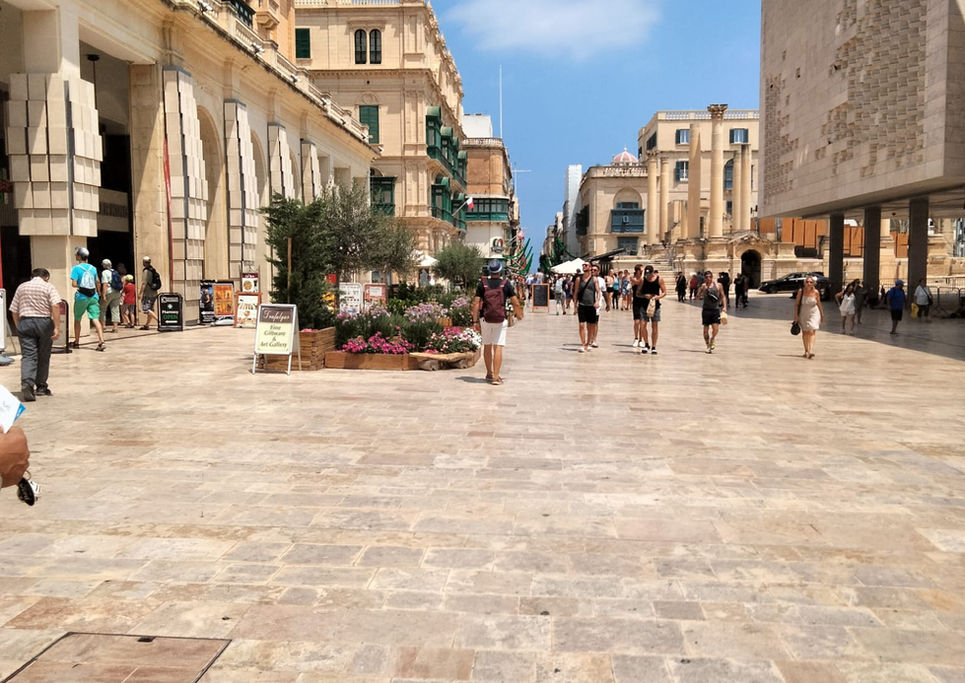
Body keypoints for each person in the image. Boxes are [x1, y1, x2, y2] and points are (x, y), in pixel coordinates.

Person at [9, 268, 61, 401]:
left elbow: (14, 309)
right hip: (43, 322)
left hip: (25, 322)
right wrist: (56, 327)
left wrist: (18, 325)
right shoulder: (48, 287)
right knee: (43, 355)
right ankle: (41, 387)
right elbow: (55, 306)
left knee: (28, 356)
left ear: (31, 276)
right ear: (46, 277)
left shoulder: (22, 287)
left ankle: (27, 383)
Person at [471, 259, 523, 386]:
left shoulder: (482, 284)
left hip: (485, 318)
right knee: (498, 346)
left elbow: (476, 303)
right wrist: (519, 314)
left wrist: (474, 321)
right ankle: (496, 376)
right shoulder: (505, 284)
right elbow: (515, 302)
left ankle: (489, 373)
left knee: (487, 345)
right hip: (500, 319)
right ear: (500, 271)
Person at [70, 247, 106, 351]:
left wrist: (80, 286)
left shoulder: (76, 268)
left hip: (81, 297)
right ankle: (101, 341)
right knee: (95, 318)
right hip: (93, 296)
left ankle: (76, 342)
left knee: (77, 319)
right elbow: (98, 282)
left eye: (76, 254)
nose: (75, 256)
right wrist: (98, 293)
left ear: (79, 256)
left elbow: (74, 284)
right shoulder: (93, 268)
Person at [793, 275, 824, 358]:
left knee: (812, 330)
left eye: (811, 282)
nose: (809, 283)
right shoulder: (801, 291)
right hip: (803, 312)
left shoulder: (816, 292)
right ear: (805, 283)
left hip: (814, 312)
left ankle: (811, 351)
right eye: (807, 282)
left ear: (813, 283)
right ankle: (806, 350)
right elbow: (796, 304)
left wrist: (822, 314)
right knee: (805, 332)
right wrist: (796, 316)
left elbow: (819, 303)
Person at [638, 265, 666, 354]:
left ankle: (654, 346)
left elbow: (664, 292)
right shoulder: (643, 280)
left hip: (655, 305)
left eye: (649, 274)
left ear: (653, 272)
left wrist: (657, 297)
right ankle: (646, 344)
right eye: (646, 274)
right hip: (644, 305)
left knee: (654, 326)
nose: (648, 276)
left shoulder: (659, 279)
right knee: (642, 325)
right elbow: (637, 293)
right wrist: (644, 295)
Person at [574, 262, 601, 353]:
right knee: (581, 325)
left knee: (590, 326)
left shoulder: (594, 279)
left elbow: (598, 291)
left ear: (590, 267)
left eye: (586, 265)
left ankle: (588, 343)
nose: (584, 266)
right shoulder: (579, 279)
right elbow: (576, 292)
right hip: (581, 305)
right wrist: (574, 306)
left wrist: (597, 301)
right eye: (583, 265)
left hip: (591, 305)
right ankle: (582, 344)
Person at [697, 270, 726, 353]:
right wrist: (701, 291)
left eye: (710, 277)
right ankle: (707, 345)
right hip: (706, 310)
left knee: (715, 328)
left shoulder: (718, 285)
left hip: (715, 310)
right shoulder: (703, 286)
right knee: (705, 331)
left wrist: (724, 307)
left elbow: (723, 296)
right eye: (706, 277)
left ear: (712, 277)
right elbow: (697, 298)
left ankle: (712, 339)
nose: (708, 279)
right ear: (704, 278)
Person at [99, 258, 122, 333]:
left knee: (102, 308)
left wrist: (103, 294)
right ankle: (115, 327)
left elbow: (105, 284)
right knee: (115, 309)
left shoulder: (104, 272)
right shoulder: (115, 271)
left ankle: (103, 326)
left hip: (109, 291)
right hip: (117, 292)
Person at [138, 256, 161, 330]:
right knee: (150, 309)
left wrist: (140, 293)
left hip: (148, 293)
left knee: (146, 309)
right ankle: (147, 325)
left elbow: (144, 283)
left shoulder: (146, 271)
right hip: (154, 292)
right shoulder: (153, 270)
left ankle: (159, 321)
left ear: (144, 262)